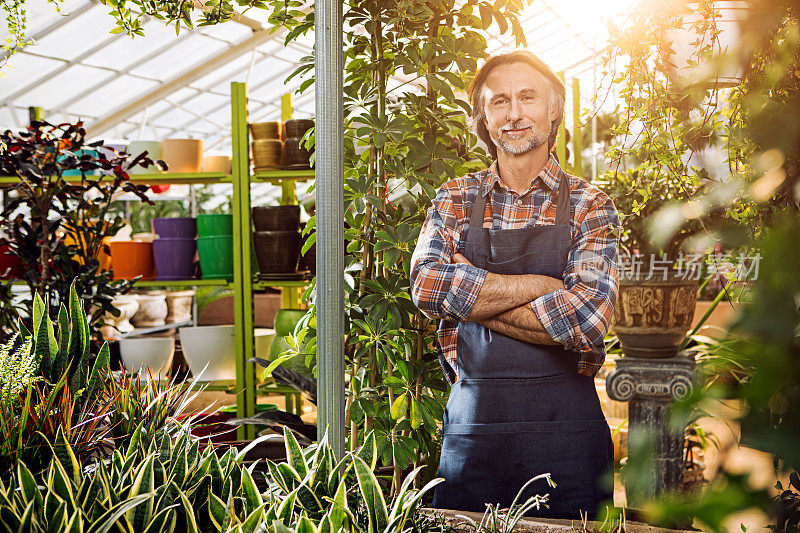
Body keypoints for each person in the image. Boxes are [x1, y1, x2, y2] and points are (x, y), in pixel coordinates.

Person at [410, 50, 621, 519]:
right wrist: (543, 286)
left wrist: (469, 296)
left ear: (554, 110)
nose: (514, 113)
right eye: (499, 101)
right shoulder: (456, 197)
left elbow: (586, 321)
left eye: (528, 97)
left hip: (569, 446)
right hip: (472, 440)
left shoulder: (591, 205)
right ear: (484, 119)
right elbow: (427, 287)